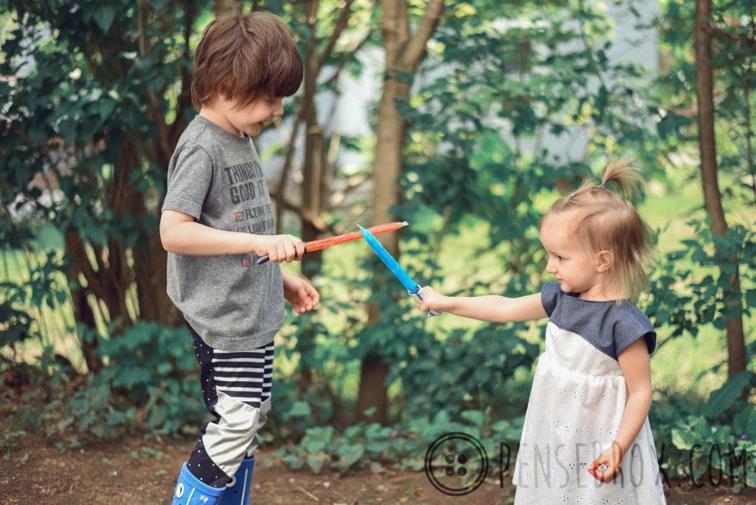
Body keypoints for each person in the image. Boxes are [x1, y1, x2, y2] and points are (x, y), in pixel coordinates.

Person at [417, 161, 667, 504]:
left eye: (560, 257)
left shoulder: (623, 325)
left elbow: (640, 392)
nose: (550, 266)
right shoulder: (561, 298)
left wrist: (619, 445)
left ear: (602, 260)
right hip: (555, 430)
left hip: (601, 438)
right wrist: (446, 302)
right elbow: (504, 308)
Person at [159, 12, 319, 505]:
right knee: (237, 420)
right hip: (224, 317)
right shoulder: (202, 148)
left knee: (252, 418)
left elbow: (243, 228)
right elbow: (173, 231)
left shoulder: (238, 139)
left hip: (251, 309)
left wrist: (280, 276)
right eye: (270, 98)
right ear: (228, 86)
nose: (277, 110)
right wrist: (256, 246)